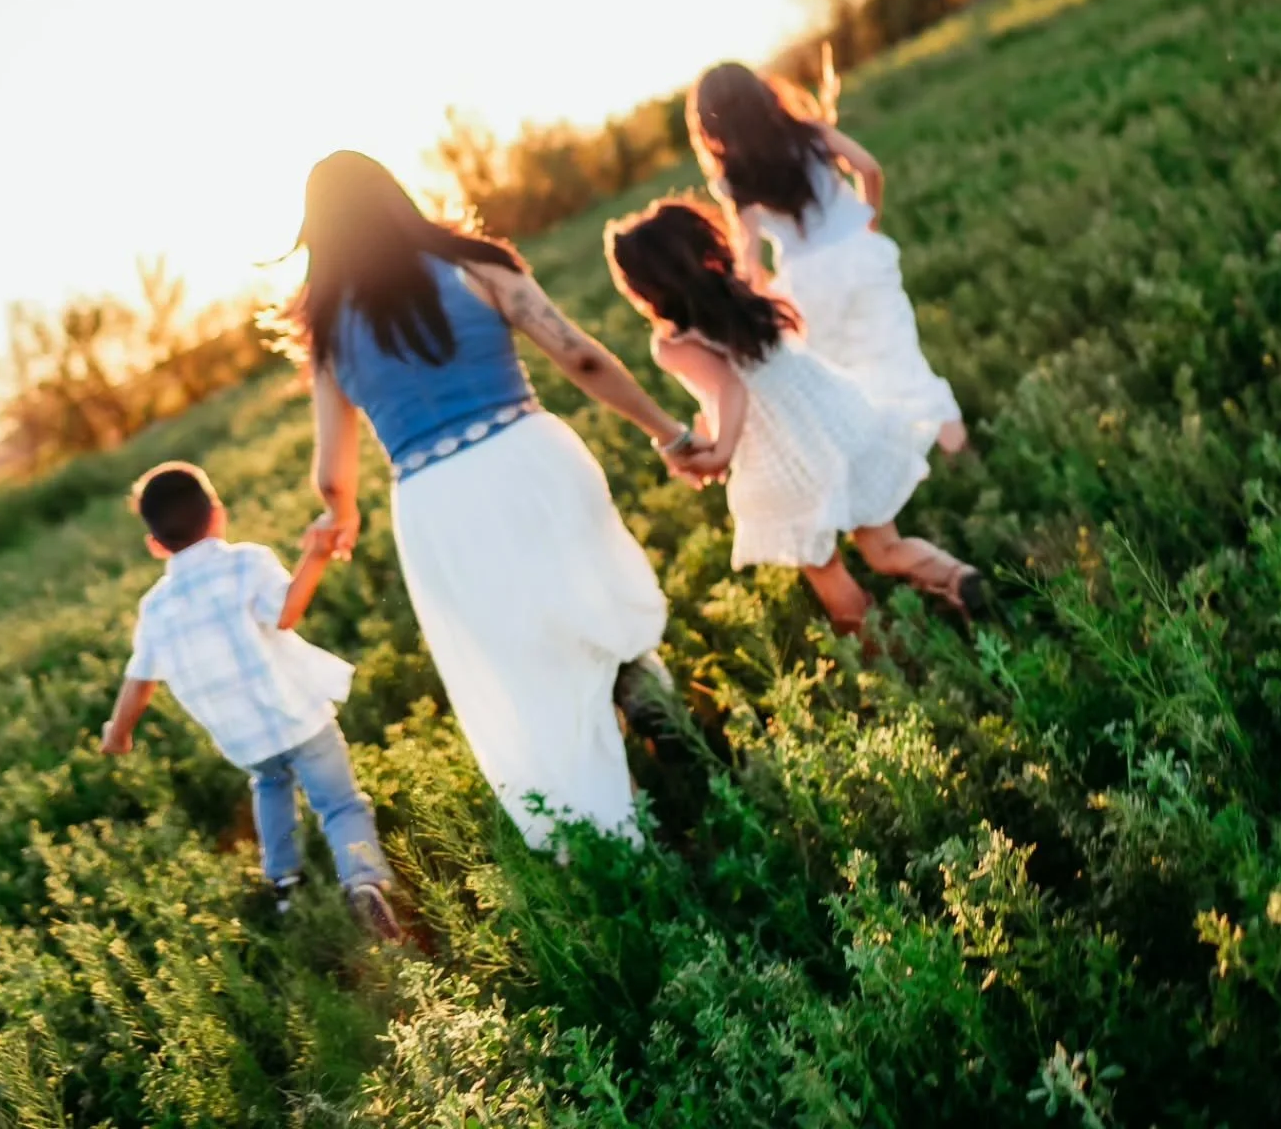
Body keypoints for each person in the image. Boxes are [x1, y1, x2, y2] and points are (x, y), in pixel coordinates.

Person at [281, 151, 699, 852]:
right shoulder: (475, 263)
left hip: (437, 500)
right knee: (592, 601)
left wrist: (341, 517)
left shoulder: (327, 331)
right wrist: (668, 433)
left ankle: (623, 834)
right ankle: (664, 724)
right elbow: (580, 356)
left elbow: (332, 476)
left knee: (525, 658)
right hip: (528, 455)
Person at [605, 199, 983, 639]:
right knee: (884, 548)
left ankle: (888, 661)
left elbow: (730, 387)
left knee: (826, 569)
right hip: (833, 418)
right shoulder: (741, 297)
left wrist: (720, 451)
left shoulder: (671, 344)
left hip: (783, 455)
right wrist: (710, 429)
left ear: (647, 289)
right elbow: (730, 390)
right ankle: (958, 578)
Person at [98, 462, 402, 940]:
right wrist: (316, 557)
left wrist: (118, 733)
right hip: (300, 717)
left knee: (270, 786)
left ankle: (285, 885)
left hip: (244, 739)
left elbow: (139, 680)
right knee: (340, 805)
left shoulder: (155, 607)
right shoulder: (247, 562)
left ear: (156, 545)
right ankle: (363, 882)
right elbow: (285, 613)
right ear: (217, 515)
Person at [687, 60, 968, 456]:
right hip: (860, 255)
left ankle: (886, 458)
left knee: (844, 373)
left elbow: (748, 253)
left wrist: (754, 297)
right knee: (900, 356)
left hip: (806, 281)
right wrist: (868, 219)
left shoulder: (735, 177)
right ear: (762, 92)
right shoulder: (810, 134)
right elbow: (869, 168)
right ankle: (959, 453)